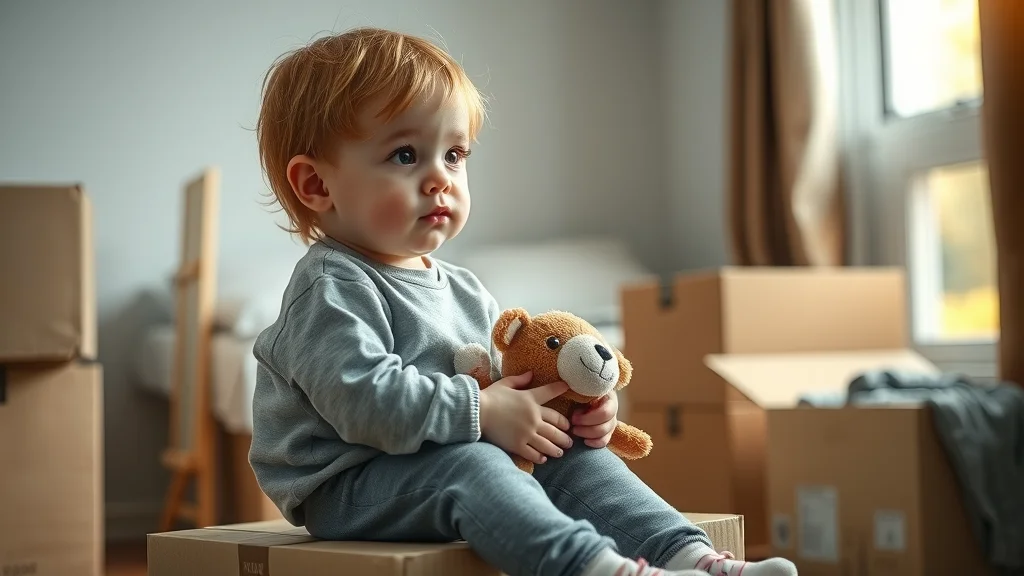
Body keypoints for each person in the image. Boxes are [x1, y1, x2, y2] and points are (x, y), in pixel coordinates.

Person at [249, 26, 798, 576]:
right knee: (470, 466)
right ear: (316, 185)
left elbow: (511, 382)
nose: (440, 178)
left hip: (446, 456)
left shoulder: (464, 287)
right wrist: (483, 411)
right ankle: (596, 568)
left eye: (454, 154)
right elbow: (362, 401)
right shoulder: (331, 285)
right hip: (351, 484)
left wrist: (572, 413)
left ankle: (693, 558)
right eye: (406, 154)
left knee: (570, 454)